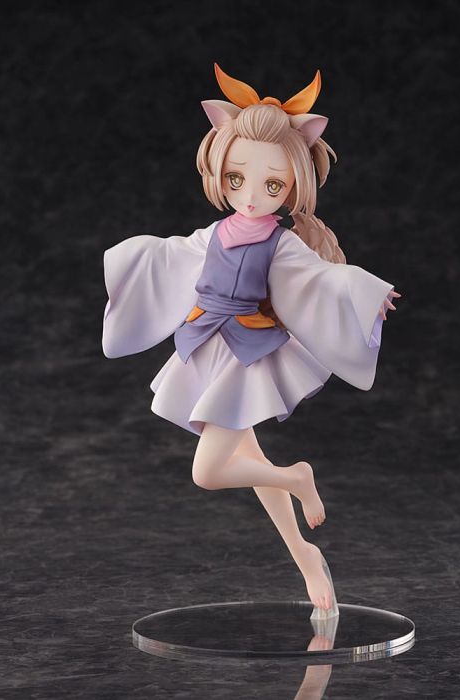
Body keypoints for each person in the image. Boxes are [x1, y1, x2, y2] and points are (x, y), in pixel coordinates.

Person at [102, 64, 401, 616]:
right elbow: (171, 255)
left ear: (293, 185)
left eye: (273, 185)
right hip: (205, 345)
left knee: (209, 472)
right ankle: (305, 557)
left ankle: (296, 476)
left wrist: (366, 295)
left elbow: (322, 279)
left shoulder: (280, 243)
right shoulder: (216, 232)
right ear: (219, 170)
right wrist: (125, 261)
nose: (252, 195)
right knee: (248, 455)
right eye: (237, 179)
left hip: (245, 356)